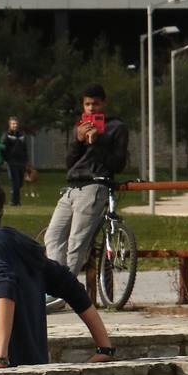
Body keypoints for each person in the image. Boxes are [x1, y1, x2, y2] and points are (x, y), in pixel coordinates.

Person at [0, 173, 115, 369]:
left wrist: (0, 356)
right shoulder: (24, 245)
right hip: (37, 369)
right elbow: (70, 285)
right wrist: (104, 347)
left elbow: (3, 284)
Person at [44, 83, 129, 277]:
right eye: (87, 104)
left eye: (96, 104)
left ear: (104, 104)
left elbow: (117, 164)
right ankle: (58, 284)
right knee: (53, 236)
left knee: (76, 242)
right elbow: (70, 162)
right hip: (73, 187)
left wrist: (98, 140)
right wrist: (78, 140)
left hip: (94, 186)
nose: (91, 108)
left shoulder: (117, 127)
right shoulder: (80, 126)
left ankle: (64, 291)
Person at [1, 117, 30, 207]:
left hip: (21, 162)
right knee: (15, 182)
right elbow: (3, 148)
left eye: (16, 124)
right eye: (13, 124)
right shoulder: (6, 135)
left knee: (20, 182)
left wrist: (26, 160)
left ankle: (16, 200)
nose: (15, 125)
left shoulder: (21, 135)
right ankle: (14, 201)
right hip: (12, 162)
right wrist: (6, 159)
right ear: (10, 125)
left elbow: (25, 148)